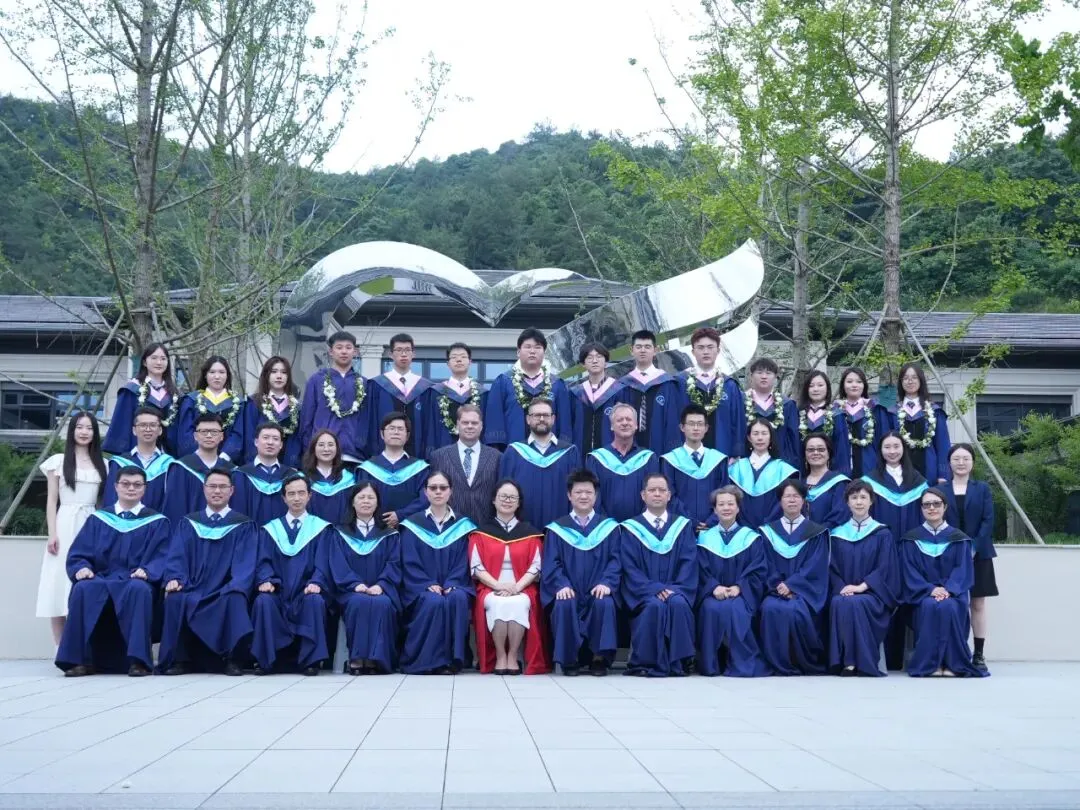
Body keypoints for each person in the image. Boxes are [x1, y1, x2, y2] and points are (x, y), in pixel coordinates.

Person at [55, 468, 170, 677]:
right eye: (126, 484)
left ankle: (139, 662)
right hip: (100, 577)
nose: (131, 488)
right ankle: (79, 661)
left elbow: (163, 555)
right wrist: (81, 567)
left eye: (137, 484)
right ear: (116, 487)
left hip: (134, 578)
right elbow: (79, 552)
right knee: (83, 589)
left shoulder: (157, 521)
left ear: (144, 489)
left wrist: (148, 570)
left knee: (139, 589)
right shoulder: (99, 519)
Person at [157, 468, 255, 676]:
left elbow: (244, 563)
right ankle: (180, 660)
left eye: (222, 487)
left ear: (231, 491)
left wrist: (236, 584)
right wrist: (175, 578)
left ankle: (233, 660)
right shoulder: (189, 523)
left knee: (235, 598)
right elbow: (177, 556)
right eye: (212, 486)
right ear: (204, 489)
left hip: (225, 587)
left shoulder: (243, 525)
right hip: (192, 585)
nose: (217, 491)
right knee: (175, 597)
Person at [899, 488, 987, 677]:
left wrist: (948, 590)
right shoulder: (911, 539)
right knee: (930, 605)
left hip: (952, 593)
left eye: (936, 504)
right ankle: (932, 665)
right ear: (921, 509)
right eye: (927, 505)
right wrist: (930, 590)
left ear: (945, 507)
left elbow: (963, 570)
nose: (932, 508)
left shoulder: (959, 538)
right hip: (922, 594)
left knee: (949, 606)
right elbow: (909, 571)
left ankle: (952, 664)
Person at [251, 473, 333, 675]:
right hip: (278, 590)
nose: (297, 498)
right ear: (284, 498)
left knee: (315, 600)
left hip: (306, 590)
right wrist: (266, 580)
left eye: (301, 493)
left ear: (309, 496)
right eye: (291, 494)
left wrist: (317, 581)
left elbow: (324, 562)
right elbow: (262, 561)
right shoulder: (271, 529)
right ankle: (266, 661)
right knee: (263, 601)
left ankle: (311, 661)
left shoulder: (320, 529)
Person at [36, 411, 107, 645]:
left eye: (89, 428)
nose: (84, 432)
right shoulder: (58, 461)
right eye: (79, 427)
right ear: (72, 430)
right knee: (58, 584)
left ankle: (84, 647)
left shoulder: (103, 464)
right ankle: (60, 648)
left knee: (89, 579)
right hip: (65, 523)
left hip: (91, 523)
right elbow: (51, 501)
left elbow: (101, 503)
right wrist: (52, 534)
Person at [542, 469, 620, 676]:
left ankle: (599, 659)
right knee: (564, 602)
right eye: (578, 492)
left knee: (604, 602)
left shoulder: (609, 528)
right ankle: (570, 660)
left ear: (596, 495)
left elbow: (616, 560)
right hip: (570, 587)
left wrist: (607, 582)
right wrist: (561, 584)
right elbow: (551, 563)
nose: (583, 496)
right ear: (569, 495)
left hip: (597, 587)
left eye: (588, 492)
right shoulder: (558, 529)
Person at [619, 473, 698, 677]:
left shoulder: (682, 526)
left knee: (678, 603)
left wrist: (674, 589)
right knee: (654, 606)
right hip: (644, 593)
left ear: (669, 495)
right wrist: (654, 588)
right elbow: (629, 566)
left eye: (662, 490)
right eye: (652, 490)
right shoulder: (631, 528)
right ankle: (645, 663)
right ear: (643, 495)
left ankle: (680, 663)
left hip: (676, 590)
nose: (657, 494)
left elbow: (688, 561)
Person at [398, 471, 476, 674]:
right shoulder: (412, 525)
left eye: (443, 488)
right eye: (433, 488)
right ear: (425, 492)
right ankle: (427, 661)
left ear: (451, 491)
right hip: (421, 587)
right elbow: (409, 561)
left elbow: (464, 560)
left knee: (457, 597)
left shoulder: (463, 525)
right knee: (433, 601)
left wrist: (453, 582)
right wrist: (426, 583)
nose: (438, 492)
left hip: (455, 584)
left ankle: (454, 660)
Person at [469, 480, 549, 675]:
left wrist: (517, 587)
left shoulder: (530, 533)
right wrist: (497, 585)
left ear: (519, 502)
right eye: (503, 496)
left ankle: (512, 655)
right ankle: (500, 655)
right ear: (494, 500)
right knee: (497, 603)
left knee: (519, 603)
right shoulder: (481, 533)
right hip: (490, 586)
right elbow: (476, 567)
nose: (507, 500)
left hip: (522, 586)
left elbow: (536, 566)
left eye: (513, 497)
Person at [863, 431, 928, 671]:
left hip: (911, 550)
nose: (892, 451)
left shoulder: (918, 481)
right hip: (883, 551)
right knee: (885, 597)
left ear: (903, 449)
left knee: (910, 599)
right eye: (887, 447)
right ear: (880, 451)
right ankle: (886, 659)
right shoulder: (871, 481)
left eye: (896, 446)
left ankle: (909, 657)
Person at [327, 482, 402, 675]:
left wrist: (382, 584)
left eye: (370, 497)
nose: (366, 501)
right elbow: (338, 564)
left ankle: (377, 660)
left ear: (377, 503)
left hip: (382, 589)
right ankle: (357, 659)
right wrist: (355, 584)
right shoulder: (340, 533)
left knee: (383, 603)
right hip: (349, 591)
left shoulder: (389, 534)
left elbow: (394, 563)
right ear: (352, 502)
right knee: (359, 602)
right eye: (361, 497)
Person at [828, 480, 899, 677]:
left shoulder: (882, 533)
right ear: (847, 502)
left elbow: (885, 568)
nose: (858, 502)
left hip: (874, 593)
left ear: (871, 501)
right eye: (854, 497)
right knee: (840, 602)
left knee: (856, 603)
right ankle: (847, 661)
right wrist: (842, 587)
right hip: (844, 591)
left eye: (863, 497)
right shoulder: (838, 534)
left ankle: (854, 662)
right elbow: (832, 569)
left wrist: (861, 587)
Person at [695, 486, 768, 677]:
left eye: (730, 504)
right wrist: (713, 587)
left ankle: (740, 663)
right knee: (710, 608)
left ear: (738, 508)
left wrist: (739, 587)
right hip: (713, 593)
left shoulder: (751, 538)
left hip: (741, 593)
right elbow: (699, 570)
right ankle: (711, 664)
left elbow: (758, 570)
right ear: (715, 509)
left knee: (736, 608)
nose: (726, 508)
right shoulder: (704, 538)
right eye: (721, 504)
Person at [757, 480, 829, 675]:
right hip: (774, 590)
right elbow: (764, 564)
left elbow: (815, 566)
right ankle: (775, 662)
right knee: (770, 608)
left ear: (803, 501)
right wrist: (777, 585)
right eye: (787, 496)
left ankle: (800, 662)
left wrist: (792, 586)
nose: (791, 500)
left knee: (796, 610)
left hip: (804, 592)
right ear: (780, 501)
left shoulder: (816, 532)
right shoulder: (768, 532)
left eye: (796, 496)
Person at [941, 444, 996, 673]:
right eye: (956, 459)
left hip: (979, 554)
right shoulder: (940, 489)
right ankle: (954, 652)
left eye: (965, 458)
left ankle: (979, 653)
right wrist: (956, 549)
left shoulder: (982, 488)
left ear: (972, 462)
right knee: (952, 602)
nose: (961, 463)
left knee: (978, 603)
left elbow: (988, 520)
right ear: (949, 463)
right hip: (949, 554)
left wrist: (972, 547)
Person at [484, 327, 572, 448]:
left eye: (537, 347)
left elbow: (564, 423)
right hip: (513, 451)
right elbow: (495, 421)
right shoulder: (503, 382)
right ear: (518, 352)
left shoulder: (557, 385)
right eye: (527, 347)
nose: (532, 351)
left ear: (544, 353)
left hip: (550, 453)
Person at [498, 398, 578, 528]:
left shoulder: (569, 452)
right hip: (521, 531)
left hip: (561, 530)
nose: (541, 419)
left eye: (546, 415)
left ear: (553, 419)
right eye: (536, 415)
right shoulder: (513, 452)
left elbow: (577, 493)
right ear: (528, 419)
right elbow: (502, 494)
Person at [299, 331, 370, 463]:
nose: (344, 351)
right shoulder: (316, 380)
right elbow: (307, 419)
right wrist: (307, 450)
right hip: (323, 453)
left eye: (348, 347)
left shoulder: (364, 383)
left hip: (355, 454)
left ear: (355, 352)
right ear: (331, 352)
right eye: (339, 347)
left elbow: (368, 420)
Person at [673, 327, 744, 457]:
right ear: (693, 352)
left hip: (722, 455)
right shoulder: (680, 383)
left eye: (710, 347)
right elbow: (674, 421)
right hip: (685, 456)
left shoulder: (729, 385)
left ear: (718, 351)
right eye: (700, 348)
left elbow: (738, 423)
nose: (705, 352)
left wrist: (736, 454)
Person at [427, 404, 503, 524]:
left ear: (481, 426)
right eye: (465, 422)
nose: (470, 426)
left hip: (486, 527)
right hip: (451, 526)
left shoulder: (496, 457)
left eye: (474, 423)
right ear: (457, 425)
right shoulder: (439, 456)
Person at [102, 342, 182, 456]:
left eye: (163, 359)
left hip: (167, 455)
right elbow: (122, 424)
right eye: (154, 358)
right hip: (136, 453)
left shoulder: (174, 394)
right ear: (144, 362)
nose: (159, 362)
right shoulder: (131, 390)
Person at [586, 403, 661, 522]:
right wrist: (605, 524)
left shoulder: (648, 458)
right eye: (620, 420)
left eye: (629, 419)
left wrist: (639, 523)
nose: (625, 423)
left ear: (636, 425)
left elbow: (652, 494)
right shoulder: (596, 459)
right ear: (612, 426)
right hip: (604, 527)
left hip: (640, 528)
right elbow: (593, 496)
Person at [662, 405, 729, 531]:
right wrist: (690, 521)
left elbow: (725, 493)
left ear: (706, 428)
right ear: (682, 427)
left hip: (713, 528)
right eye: (691, 424)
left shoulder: (718, 460)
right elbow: (669, 495)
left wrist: (712, 520)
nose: (696, 428)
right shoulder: (670, 460)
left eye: (700, 424)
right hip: (680, 527)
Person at [368, 333, 435, 459]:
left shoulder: (426, 388)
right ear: (391, 354)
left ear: (413, 354)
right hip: (383, 454)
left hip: (417, 454)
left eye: (407, 350)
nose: (403, 354)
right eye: (399, 350)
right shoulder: (377, 385)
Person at [357, 412, 429, 528]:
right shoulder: (367, 469)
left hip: (412, 528)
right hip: (375, 529)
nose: (396, 432)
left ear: (407, 436)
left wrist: (401, 515)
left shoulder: (420, 468)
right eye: (391, 428)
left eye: (400, 429)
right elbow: (360, 500)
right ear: (382, 434)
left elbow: (425, 499)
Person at [616, 330, 681, 455]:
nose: (643, 350)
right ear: (631, 350)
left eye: (647, 347)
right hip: (629, 451)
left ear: (655, 350)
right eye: (638, 347)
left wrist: (671, 454)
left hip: (661, 450)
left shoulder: (668, 383)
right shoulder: (623, 385)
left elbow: (673, 421)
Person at [727, 418, 799, 528]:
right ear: (749, 438)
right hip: (741, 529)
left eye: (764, 433)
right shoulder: (736, 469)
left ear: (770, 437)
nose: (760, 438)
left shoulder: (783, 469)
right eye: (755, 433)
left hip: (773, 530)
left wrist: (768, 526)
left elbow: (782, 504)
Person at [164, 413, 235, 523]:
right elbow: (174, 509)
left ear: (222, 436)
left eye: (214, 432)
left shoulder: (233, 470)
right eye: (204, 432)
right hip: (189, 531)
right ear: (195, 436)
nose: (209, 436)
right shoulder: (181, 468)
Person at [102, 407, 174, 514]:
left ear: (160, 430)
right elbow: (110, 499)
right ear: (134, 430)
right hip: (123, 521)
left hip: (158, 521)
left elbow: (171, 502)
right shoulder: (119, 463)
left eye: (153, 425)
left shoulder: (169, 464)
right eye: (143, 425)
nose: (148, 429)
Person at [890, 362, 951, 484]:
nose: (910, 381)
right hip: (898, 472)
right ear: (901, 382)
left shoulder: (935, 412)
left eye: (914, 377)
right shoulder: (891, 412)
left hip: (929, 471)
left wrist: (943, 474)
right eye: (905, 378)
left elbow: (943, 445)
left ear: (921, 380)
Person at [177, 355, 245, 462]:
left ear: (227, 375)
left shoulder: (238, 403)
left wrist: (224, 457)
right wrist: (199, 456)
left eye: (222, 372)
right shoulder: (191, 400)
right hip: (196, 460)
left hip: (226, 462)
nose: (217, 376)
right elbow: (186, 432)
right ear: (205, 375)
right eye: (212, 372)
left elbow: (238, 433)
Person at [231, 423, 296, 526]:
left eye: (275, 439)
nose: (270, 442)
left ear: (281, 445)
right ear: (256, 442)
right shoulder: (240, 475)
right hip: (250, 534)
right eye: (265, 438)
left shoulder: (292, 476)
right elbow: (237, 512)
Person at [243, 356, 302, 468]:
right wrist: (253, 465)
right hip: (259, 465)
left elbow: (297, 439)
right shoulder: (254, 403)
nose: (279, 376)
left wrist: (293, 466)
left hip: (288, 466)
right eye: (274, 372)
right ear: (266, 375)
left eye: (284, 372)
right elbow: (250, 436)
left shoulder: (296, 408)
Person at [427, 342, 486, 453]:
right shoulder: (436, 392)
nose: (459, 360)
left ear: (470, 362)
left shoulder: (482, 393)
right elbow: (431, 425)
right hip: (443, 449)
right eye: (454, 357)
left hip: (475, 450)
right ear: (448, 363)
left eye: (463, 357)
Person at [831, 367, 888, 479]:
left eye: (859, 381)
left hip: (870, 467)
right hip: (841, 467)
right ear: (843, 385)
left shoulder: (875, 409)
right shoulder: (835, 411)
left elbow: (883, 439)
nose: (854, 385)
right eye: (849, 381)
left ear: (864, 385)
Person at [744, 357, 800, 467]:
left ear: (775, 377)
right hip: (747, 463)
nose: (764, 376)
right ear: (751, 376)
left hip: (780, 464)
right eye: (759, 372)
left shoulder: (787, 405)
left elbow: (793, 439)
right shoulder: (741, 402)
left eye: (768, 373)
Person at [569, 342, 621, 458]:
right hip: (580, 452)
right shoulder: (575, 393)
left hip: (611, 455)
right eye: (589, 358)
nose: (594, 361)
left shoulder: (618, 390)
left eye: (599, 356)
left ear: (606, 362)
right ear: (583, 364)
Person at [303, 430, 358, 525]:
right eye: (321, 445)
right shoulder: (303, 480)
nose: (326, 449)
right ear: (313, 448)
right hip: (311, 531)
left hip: (342, 531)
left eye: (330, 445)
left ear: (337, 449)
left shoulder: (348, 479)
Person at [803, 435, 850, 529]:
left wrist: (818, 533)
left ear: (829, 454)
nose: (816, 453)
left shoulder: (839, 483)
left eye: (821, 449)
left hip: (829, 535)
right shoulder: (799, 483)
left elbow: (839, 514)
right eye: (810, 450)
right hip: (800, 536)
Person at [796, 370, 836, 459]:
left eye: (820, 385)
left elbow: (841, 446)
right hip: (802, 462)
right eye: (811, 386)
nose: (815, 389)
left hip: (829, 464)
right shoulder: (798, 413)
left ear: (827, 388)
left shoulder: (836, 414)